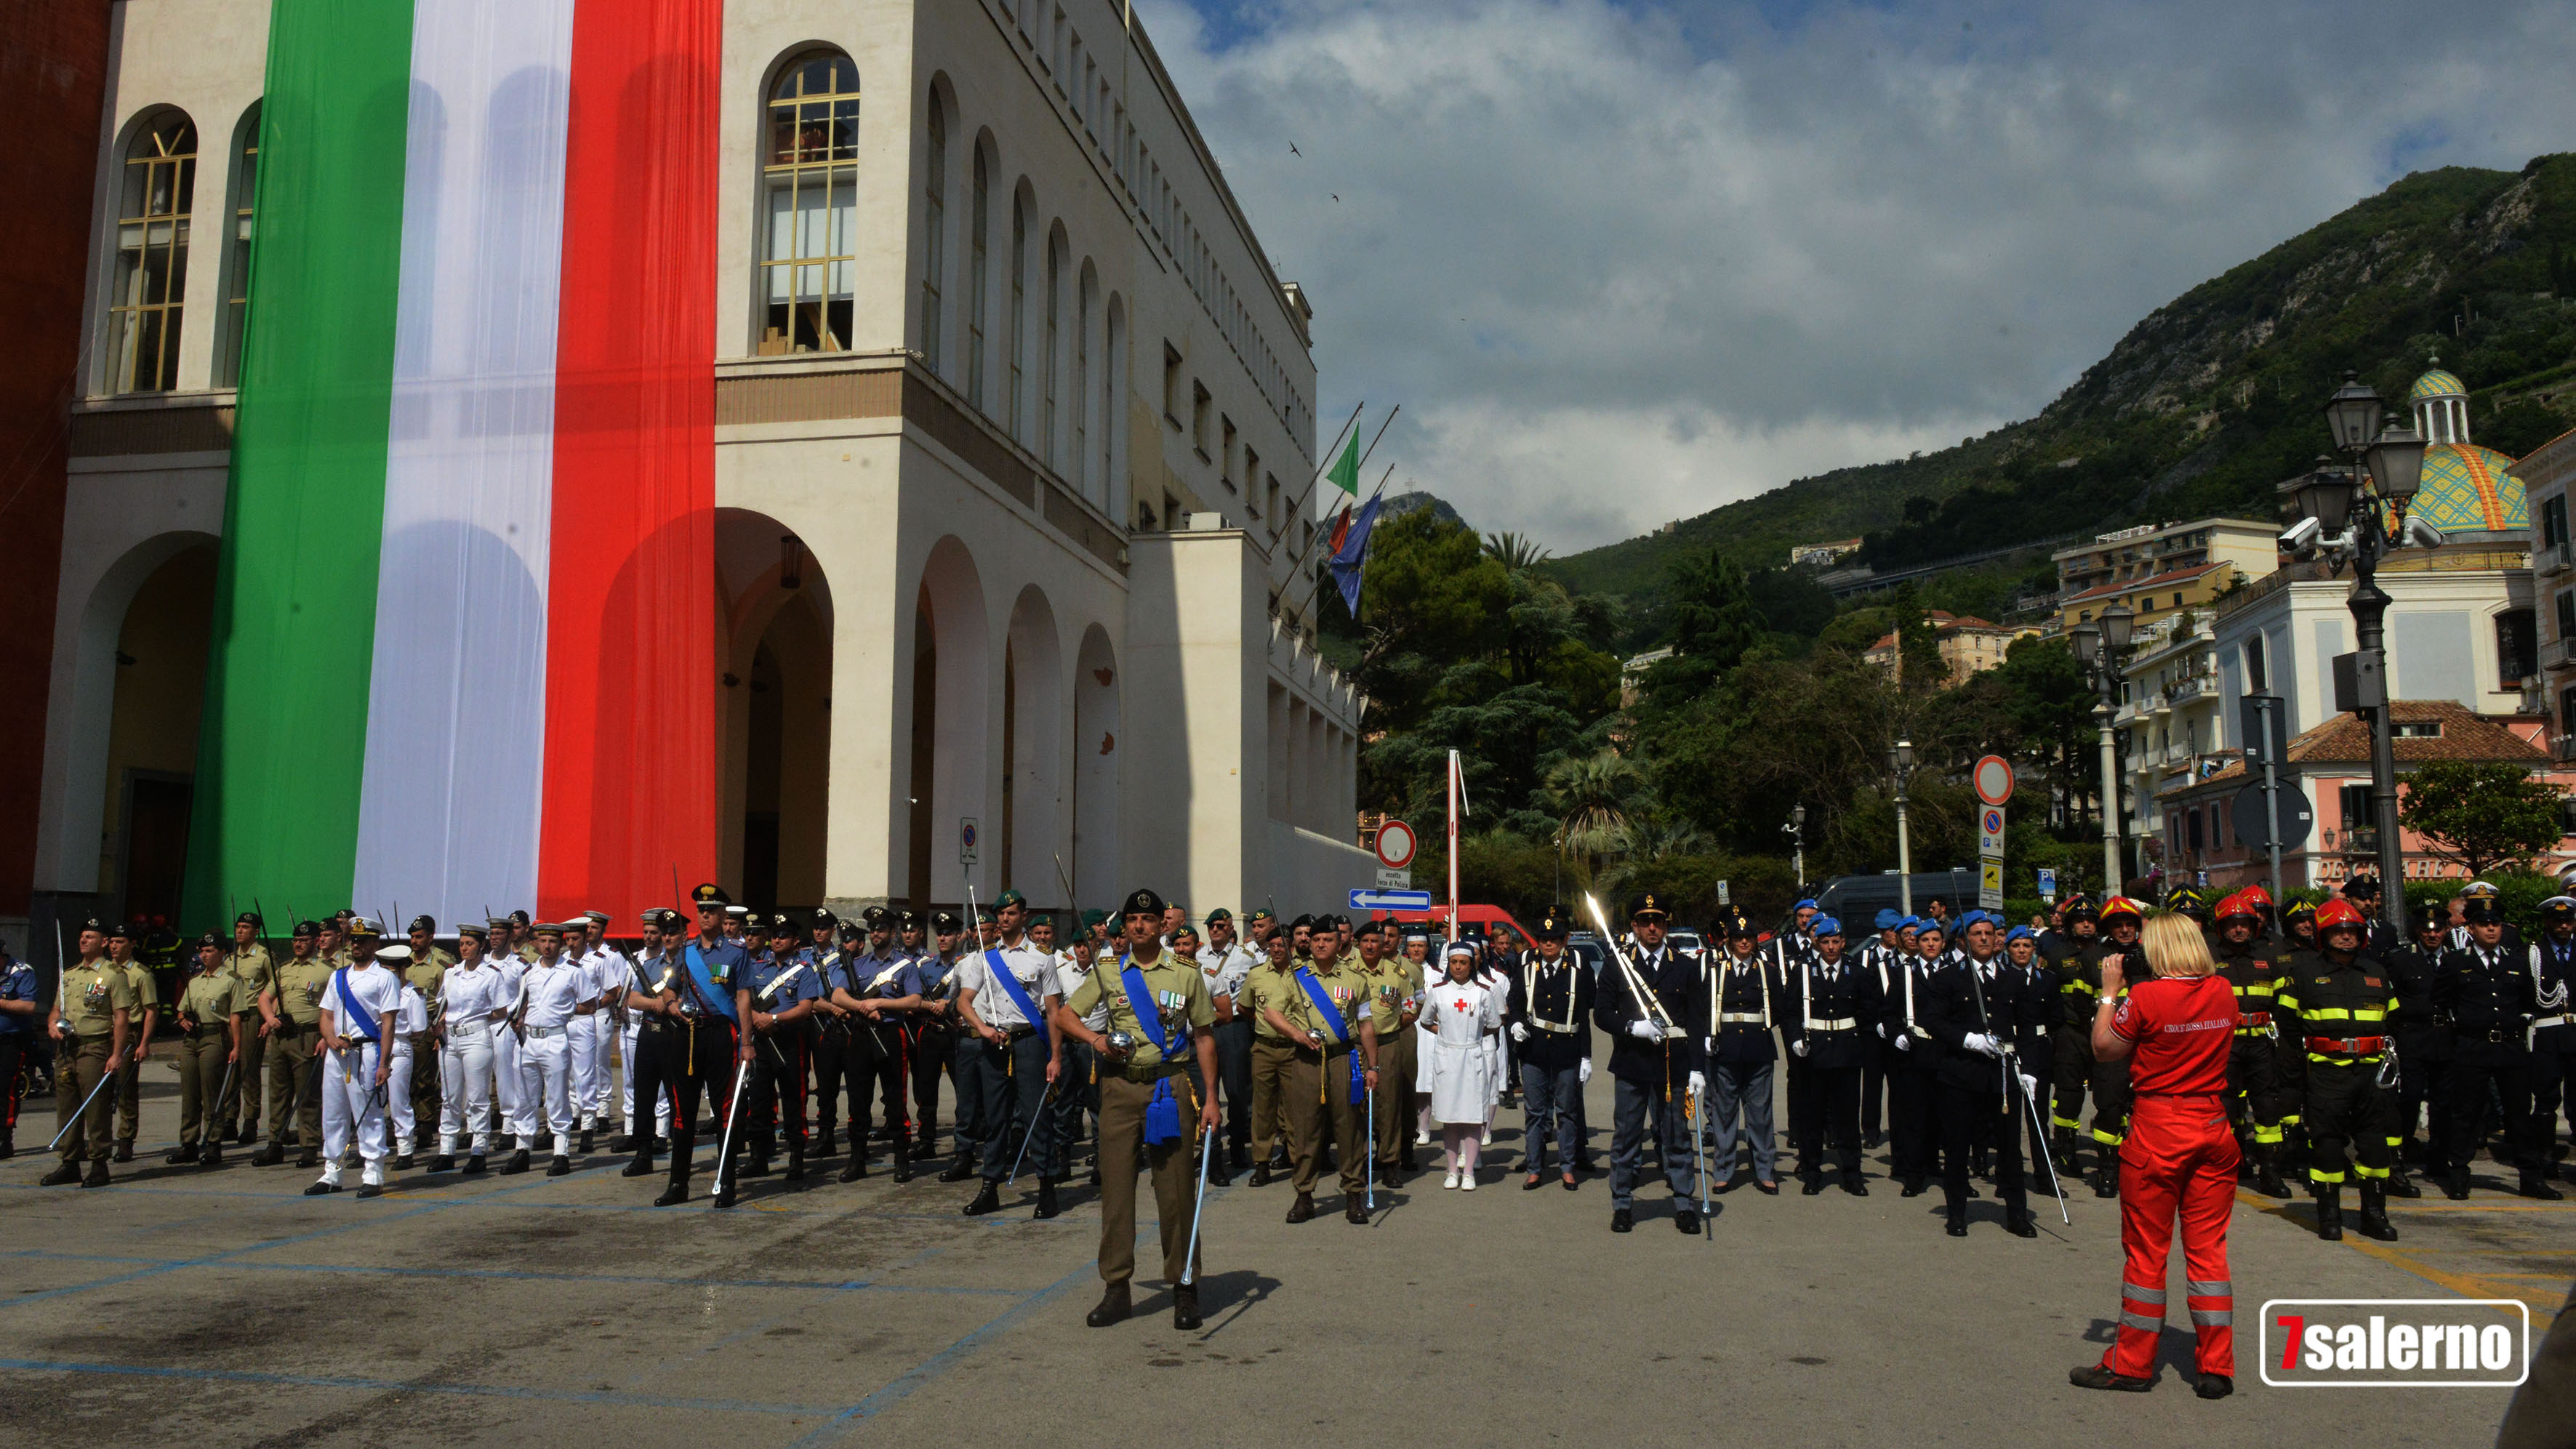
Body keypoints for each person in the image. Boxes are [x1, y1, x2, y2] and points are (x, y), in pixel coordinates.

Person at [2070, 911, 2241, 1399]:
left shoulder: (2143, 996)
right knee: (2208, 1251)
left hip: (2159, 1127)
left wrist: (2108, 992)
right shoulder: (2222, 991)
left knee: (2147, 1254)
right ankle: (2215, 1366)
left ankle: (2132, 1363)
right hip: (2211, 1123)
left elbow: (2104, 1048)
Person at [1053, 887, 1221, 1330]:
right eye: (1132, 920)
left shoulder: (1186, 973)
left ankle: (1184, 1285)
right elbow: (1066, 1015)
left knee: (1177, 1191)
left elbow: (1204, 1036)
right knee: (1116, 1191)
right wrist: (1096, 1041)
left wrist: (1211, 1098)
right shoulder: (1109, 972)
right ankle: (1117, 1288)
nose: (1140, 926)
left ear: (1161, 925)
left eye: (1148, 919)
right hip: (1120, 1089)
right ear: (1123, 927)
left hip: (1170, 1086)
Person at [2278, 898, 2404, 1237]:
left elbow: (2393, 1022)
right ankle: (2329, 1216)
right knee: (2328, 1144)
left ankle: (2374, 1215)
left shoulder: (2376, 974)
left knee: (2376, 1145)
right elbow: (2287, 1029)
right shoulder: (2304, 973)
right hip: (2327, 1074)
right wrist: (2295, 1076)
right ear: (2324, 935)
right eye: (2338, 931)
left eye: (2353, 931)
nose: (2346, 937)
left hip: (2371, 1075)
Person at [1921, 913, 2045, 1238]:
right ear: (1964, 940)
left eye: (1990, 933)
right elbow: (1932, 1020)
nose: (1985, 939)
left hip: (2002, 1075)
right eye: (1977, 934)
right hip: (1961, 1073)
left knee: (2009, 1150)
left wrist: (2030, 1071)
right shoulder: (1949, 978)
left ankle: (2017, 1215)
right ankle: (1957, 1213)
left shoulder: (2013, 979)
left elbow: (2029, 1028)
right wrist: (1967, 1040)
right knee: (1958, 1147)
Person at [1594, 891, 1705, 1235]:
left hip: (1675, 1066)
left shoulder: (1685, 967)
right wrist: (1631, 1027)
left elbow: (1698, 1021)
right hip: (1632, 1063)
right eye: (1645, 921)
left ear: (1667, 925)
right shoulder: (1618, 963)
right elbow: (1601, 1014)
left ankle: (1684, 1203)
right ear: (1634, 927)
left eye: (1658, 921)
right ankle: (1623, 1204)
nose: (1652, 927)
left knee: (1677, 1135)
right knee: (1627, 1135)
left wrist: (1699, 1067)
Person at [2431, 894, 2555, 1200]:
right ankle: (2459, 1172)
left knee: (2519, 1115)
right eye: (2484, 924)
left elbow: (2527, 1001)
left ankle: (2530, 1176)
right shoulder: (2456, 962)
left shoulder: (2516, 961)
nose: (2491, 929)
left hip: (2510, 1049)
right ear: (2471, 927)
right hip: (2472, 1047)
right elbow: (2441, 1001)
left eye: (2496, 924)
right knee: (2466, 1114)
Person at [952, 890, 1064, 1219]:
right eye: (1000, 914)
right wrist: (982, 1028)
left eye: (1011, 913)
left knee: (1035, 1115)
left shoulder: (1042, 958)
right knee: (995, 1117)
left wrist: (1055, 1056)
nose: (1004, 919)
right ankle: (990, 1187)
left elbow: (1054, 1011)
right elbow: (963, 1001)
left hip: (1029, 1042)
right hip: (994, 1043)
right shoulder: (984, 959)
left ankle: (1047, 1187)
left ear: (1023, 917)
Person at [1266, 913, 1380, 1224]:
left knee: (1350, 1130)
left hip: (1344, 1061)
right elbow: (1271, 1012)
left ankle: (1354, 1195)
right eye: (1315, 940)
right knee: (1305, 1130)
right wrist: (1296, 1034)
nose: (1320, 944)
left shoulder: (1355, 979)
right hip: (1306, 1061)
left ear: (1339, 942)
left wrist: (1373, 1065)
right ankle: (1304, 1196)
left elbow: (1366, 1024)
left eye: (1327, 940)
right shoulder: (1296, 976)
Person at [306, 920, 408, 1198]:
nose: (357, 946)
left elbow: (388, 1023)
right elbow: (326, 1015)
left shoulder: (384, 977)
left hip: (366, 1052)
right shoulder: (338, 976)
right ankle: (332, 1171)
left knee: (369, 1114)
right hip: (338, 1053)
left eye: (363, 941)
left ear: (375, 944)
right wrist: (330, 1039)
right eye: (354, 941)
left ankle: (373, 1172)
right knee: (334, 1113)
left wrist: (384, 1063)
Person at [1784, 915, 1880, 1196]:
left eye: (1835, 942)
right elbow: (1790, 1013)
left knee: (1847, 1118)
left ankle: (1852, 1173)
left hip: (1846, 1052)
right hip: (1813, 1052)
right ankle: (1812, 1172)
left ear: (1843, 943)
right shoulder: (1802, 972)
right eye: (1824, 942)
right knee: (1811, 1117)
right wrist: (1793, 1042)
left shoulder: (1857, 973)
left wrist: (1860, 1047)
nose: (1830, 947)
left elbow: (1868, 1013)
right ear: (1816, 943)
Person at [2205, 891, 2292, 1198]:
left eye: (2245, 924)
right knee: (2225, 1108)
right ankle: (2226, 1170)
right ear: (2221, 928)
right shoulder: (2209, 959)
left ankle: (2270, 1173)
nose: (2239, 929)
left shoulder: (2267, 956)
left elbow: (2284, 1001)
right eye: (2232, 924)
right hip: (2224, 1046)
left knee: (2268, 1108)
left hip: (2262, 1045)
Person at [2053, 896, 2139, 1197]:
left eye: (2130, 925)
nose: (2125, 930)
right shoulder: (2094, 959)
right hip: (2112, 1041)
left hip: (2146, 1045)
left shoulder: (2151, 956)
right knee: (2109, 1105)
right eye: (2118, 926)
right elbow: (2083, 1002)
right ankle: (2107, 1170)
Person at [1506, 904, 1594, 1191]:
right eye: (1543, 939)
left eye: (1554, 939)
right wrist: (1516, 1023)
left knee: (1566, 1111)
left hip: (1567, 1049)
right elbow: (1516, 1000)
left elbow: (1583, 1015)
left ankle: (1568, 1167)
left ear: (1564, 940)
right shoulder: (1527, 965)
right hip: (1533, 1050)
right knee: (1534, 1112)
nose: (1548, 944)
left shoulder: (1577, 970)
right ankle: (1534, 1167)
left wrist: (1586, 1056)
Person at [730, 913, 819, 1189]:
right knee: (758, 1099)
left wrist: (775, 1020)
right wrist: (756, 1018)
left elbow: (806, 1008)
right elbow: (741, 997)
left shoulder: (804, 969)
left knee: (794, 1098)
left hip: (789, 1040)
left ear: (795, 941)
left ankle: (796, 1157)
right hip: (760, 1041)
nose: (777, 940)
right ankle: (759, 1156)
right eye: (775, 935)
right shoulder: (757, 966)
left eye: (784, 936)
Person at [511, 922, 591, 1177]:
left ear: (562, 943)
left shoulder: (572, 972)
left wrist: (565, 1012)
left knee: (557, 1098)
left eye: (553, 942)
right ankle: (522, 1150)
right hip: (529, 1040)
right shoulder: (529, 972)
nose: (547, 946)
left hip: (555, 1040)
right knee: (525, 1098)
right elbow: (524, 1004)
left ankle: (561, 1153)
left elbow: (590, 1005)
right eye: (543, 941)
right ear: (536, 943)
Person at [1423, 941, 1502, 1189]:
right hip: (1448, 1058)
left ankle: (1469, 1171)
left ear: (1472, 965)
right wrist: (1445, 1033)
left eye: (1463, 963)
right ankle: (1451, 1170)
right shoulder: (1438, 991)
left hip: (1472, 1057)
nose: (1458, 967)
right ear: (1449, 964)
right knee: (1450, 1117)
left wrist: (1471, 1037)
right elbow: (1426, 1020)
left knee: (1472, 1116)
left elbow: (1494, 1023)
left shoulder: (1482, 992)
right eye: (1454, 962)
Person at [255, 920, 332, 1167]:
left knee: (307, 1093)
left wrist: (327, 1037)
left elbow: (335, 1007)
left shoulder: (327, 970)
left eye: (304, 941)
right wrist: (269, 1018)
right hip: (282, 1037)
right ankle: (275, 1143)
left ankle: (309, 1145)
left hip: (309, 1036)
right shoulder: (284, 969)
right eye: (296, 941)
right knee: (278, 1092)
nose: (299, 944)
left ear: (316, 942)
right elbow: (265, 998)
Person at [434, 922, 507, 1173]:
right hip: (450, 1038)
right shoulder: (451, 973)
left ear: (481, 946)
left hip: (476, 1037)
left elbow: (501, 1010)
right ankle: (447, 1150)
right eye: (462, 944)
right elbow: (443, 1003)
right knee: (450, 1098)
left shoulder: (491, 974)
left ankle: (479, 1150)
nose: (464, 948)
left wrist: (478, 1019)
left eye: (470, 944)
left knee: (477, 1098)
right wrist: (441, 1021)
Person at [166, 932, 242, 1167]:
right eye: (202, 951)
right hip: (192, 1040)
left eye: (209, 951)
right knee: (190, 1092)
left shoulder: (231, 980)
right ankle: (188, 1143)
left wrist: (236, 1046)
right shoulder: (195, 981)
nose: (204, 955)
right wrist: (182, 1019)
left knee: (211, 1092)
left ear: (222, 953)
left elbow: (235, 1016)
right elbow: (181, 1009)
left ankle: (213, 1142)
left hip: (214, 1037)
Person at [1242, 926, 1299, 1184]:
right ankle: (1262, 1162)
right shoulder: (1256, 975)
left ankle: (1297, 1158)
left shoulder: (1302, 974)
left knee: (1294, 1107)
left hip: (1293, 1049)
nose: (1277, 950)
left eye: (1282, 945)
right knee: (1263, 1109)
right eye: (1273, 946)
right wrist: (1265, 1023)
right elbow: (1245, 1007)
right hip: (1264, 1048)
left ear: (1291, 947)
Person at [2527, 897, 2576, 1185]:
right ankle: (2545, 1155)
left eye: (2568, 921)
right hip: (2547, 1034)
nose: (2564, 926)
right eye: (2558, 921)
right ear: (2547, 923)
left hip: (2575, 1034)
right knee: (2546, 1098)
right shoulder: (2533, 953)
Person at [102, 922, 158, 1163]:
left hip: (129, 1035)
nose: (114, 946)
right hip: (104, 1033)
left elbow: (151, 1010)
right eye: (112, 941)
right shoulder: (103, 971)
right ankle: (99, 1139)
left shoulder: (141, 974)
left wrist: (144, 1043)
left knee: (125, 1090)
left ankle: (125, 1140)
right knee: (100, 1090)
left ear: (132, 945)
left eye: (120, 942)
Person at [222, 912, 273, 1144]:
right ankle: (229, 1120)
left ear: (256, 931)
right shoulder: (229, 959)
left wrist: (268, 1018)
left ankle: (250, 1122)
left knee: (249, 1071)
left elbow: (275, 988)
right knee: (230, 1070)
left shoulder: (263, 957)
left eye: (245, 927)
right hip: (230, 1017)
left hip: (252, 1016)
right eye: (238, 927)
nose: (240, 931)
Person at [0, 938, 41, 1160]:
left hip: (11, 1041)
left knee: (4, 1089)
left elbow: (28, 1005)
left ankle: (4, 1139)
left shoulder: (20, 972)